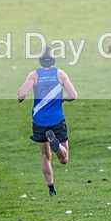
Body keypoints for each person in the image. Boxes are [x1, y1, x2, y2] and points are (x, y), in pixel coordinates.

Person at [17, 45, 78, 197]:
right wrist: (62, 99)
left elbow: (22, 93)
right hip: (56, 120)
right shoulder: (60, 74)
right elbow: (73, 95)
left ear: (40, 59)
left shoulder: (34, 75)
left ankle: (51, 190)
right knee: (64, 160)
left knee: (45, 156)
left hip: (39, 121)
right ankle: (56, 143)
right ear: (53, 59)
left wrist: (20, 98)